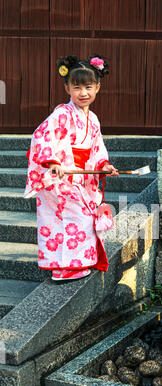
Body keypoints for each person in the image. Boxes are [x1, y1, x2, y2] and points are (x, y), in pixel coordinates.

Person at [24, 54, 119, 281]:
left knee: (85, 217)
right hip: (61, 176)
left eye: (88, 87)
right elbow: (42, 136)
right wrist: (54, 162)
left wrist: (104, 165)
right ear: (67, 88)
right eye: (77, 87)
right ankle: (64, 267)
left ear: (98, 87)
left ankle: (79, 262)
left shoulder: (92, 119)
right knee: (74, 219)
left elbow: (97, 149)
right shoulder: (62, 114)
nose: (83, 93)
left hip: (80, 177)